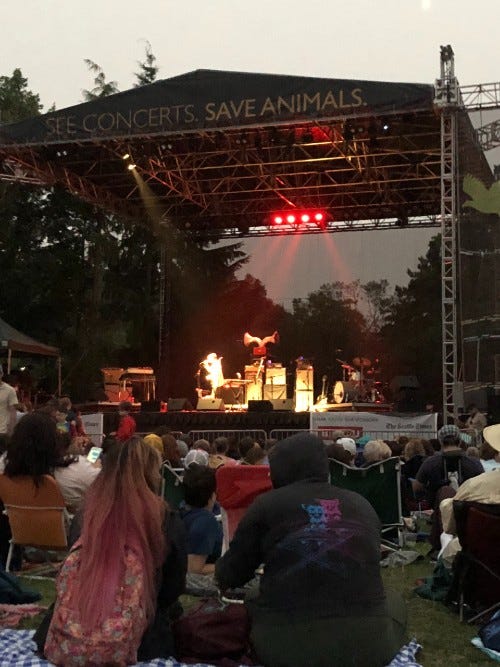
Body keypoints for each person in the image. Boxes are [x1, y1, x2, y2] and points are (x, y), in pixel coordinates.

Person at [215, 433, 407, 667]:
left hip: (286, 650)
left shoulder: (266, 505)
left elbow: (230, 574)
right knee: (394, 599)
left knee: (255, 594)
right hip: (371, 648)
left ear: (278, 472)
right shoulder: (361, 505)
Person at [42, 436, 187, 663]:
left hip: (70, 629)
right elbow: (173, 585)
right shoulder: (164, 518)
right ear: (151, 473)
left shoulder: (86, 514)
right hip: (141, 637)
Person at [0, 367, 17, 436]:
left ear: (1, 374)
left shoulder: (9, 390)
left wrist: (11, 431)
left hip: (2, 431)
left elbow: (13, 411)